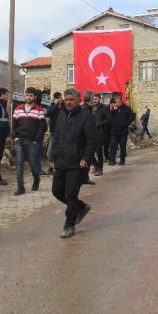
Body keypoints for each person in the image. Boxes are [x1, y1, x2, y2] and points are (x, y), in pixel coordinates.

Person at [50, 88, 97, 239]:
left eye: (72, 100)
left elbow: (91, 140)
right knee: (57, 191)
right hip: (61, 160)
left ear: (78, 100)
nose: (69, 102)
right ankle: (81, 207)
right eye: (67, 99)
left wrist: (86, 158)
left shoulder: (86, 116)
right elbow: (56, 137)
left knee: (70, 194)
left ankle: (69, 225)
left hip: (77, 162)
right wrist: (52, 156)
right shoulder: (62, 115)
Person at [11, 87, 46, 196]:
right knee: (19, 163)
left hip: (32, 141)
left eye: (31, 95)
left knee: (33, 164)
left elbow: (42, 127)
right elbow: (14, 124)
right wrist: (14, 136)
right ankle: (20, 187)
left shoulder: (39, 109)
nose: (28, 97)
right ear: (24, 96)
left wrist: (36, 140)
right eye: (27, 95)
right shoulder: (18, 108)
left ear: (35, 97)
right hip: (19, 140)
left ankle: (36, 179)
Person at [108, 95, 134, 166]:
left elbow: (132, 116)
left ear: (121, 101)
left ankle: (122, 160)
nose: (116, 103)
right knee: (113, 146)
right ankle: (112, 160)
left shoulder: (126, 108)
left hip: (123, 131)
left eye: (118, 102)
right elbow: (110, 117)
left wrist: (126, 124)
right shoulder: (114, 109)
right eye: (115, 102)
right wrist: (114, 110)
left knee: (122, 147)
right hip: (114, 131)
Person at [90, 94, 110, 176]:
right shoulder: (91, 108)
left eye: (96, 99)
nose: (94, 101)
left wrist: (100, 124)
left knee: (99, 152)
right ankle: (96, 165)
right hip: (91, 133)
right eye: (93, 99)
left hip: (100, 133)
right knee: (89, 151)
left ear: (99, 99)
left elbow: (109, 120)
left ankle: (100, 169)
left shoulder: (104, 108)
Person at [45, 92, 63, 175]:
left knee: (60, 149)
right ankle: (50, 167)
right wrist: (55, 105)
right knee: (51, 150)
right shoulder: (52, 106)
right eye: (59, 97)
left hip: (63, 132)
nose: (60, 99)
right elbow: (48, 114)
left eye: (61, 97)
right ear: (55, 99)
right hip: (54, 132)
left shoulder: (64, 107)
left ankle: (59, 166)